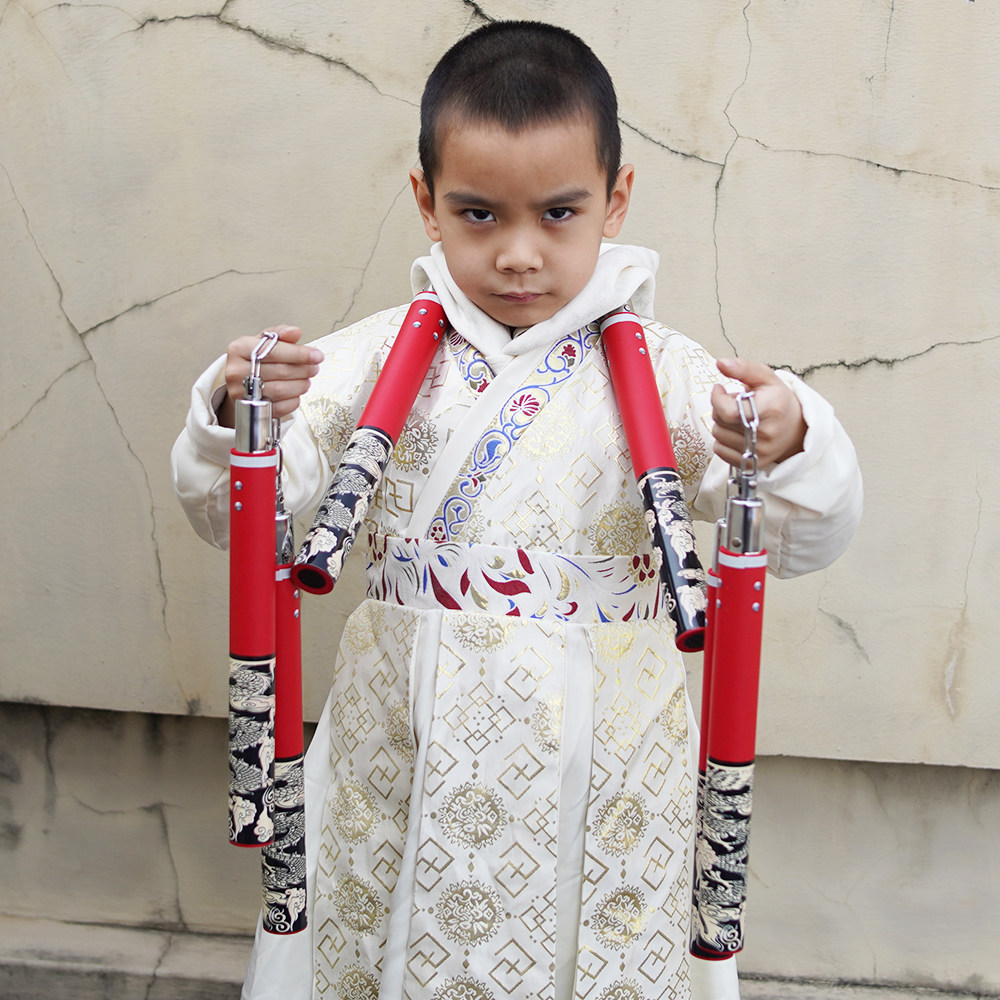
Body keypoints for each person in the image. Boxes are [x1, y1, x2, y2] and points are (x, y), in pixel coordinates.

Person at [172, 20, 862, 1000]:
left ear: (614, 201)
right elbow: (242, 516)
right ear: (427, 203)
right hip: (403, 748)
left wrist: (790, 441)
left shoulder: (666, 377)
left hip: (601, 758)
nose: (519, 253)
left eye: (558, 212)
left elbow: (801, 537)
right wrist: (233, 414)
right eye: (480, 215)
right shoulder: (372, 357)